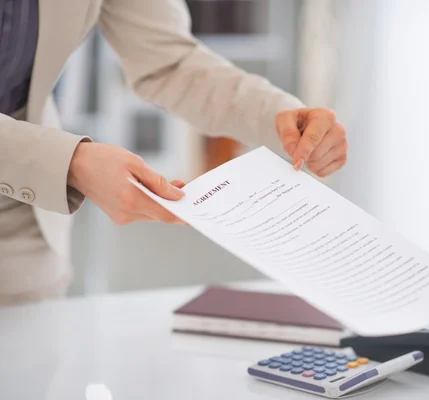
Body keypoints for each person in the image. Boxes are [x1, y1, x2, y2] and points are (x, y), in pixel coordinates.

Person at [0, 0, 348, 305]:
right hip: (39, 171)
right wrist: (69, 163)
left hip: (24, 217)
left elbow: (169, 62)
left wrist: (277, 116)